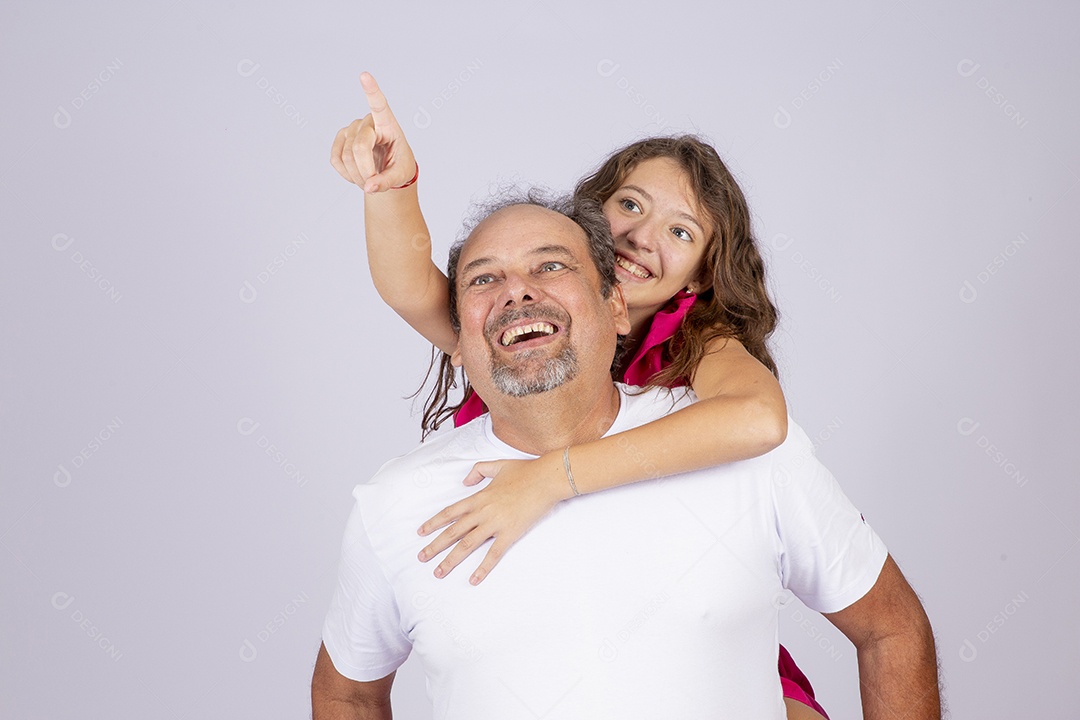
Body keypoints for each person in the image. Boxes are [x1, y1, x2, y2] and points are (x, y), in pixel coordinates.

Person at [311, 195, 941, 719]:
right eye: (484, 278)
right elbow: (347, 694)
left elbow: (890, 627)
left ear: (616, 305)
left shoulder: (745, 451)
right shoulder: (396, 503)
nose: (517, 292)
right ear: (455, 335)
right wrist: (390, 191)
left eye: (550, 265)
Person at [332, 73, 829, 718]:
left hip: (685, 619)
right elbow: (409, 288)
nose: (642, 236)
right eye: (631, 205)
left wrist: (550, 479)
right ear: (590, 213)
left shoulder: (701, 342)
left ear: (702, 275)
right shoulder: (524, 320)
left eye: (681, 232)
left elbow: (758, 419)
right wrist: (391, 190)